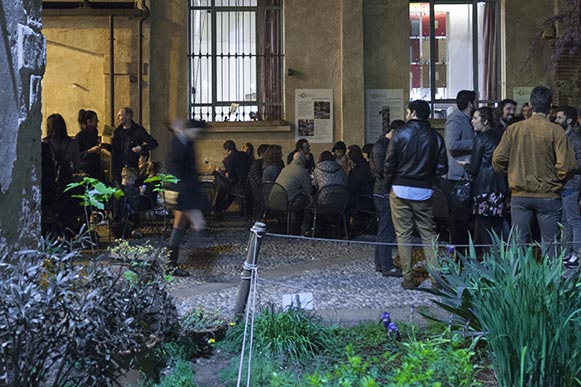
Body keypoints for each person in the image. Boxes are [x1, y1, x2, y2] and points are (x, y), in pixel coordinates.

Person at [493, 86, 576, 257]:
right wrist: (557, 180)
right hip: (548, 195)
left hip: (520, 194)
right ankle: (550, 282)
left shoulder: (514, 129)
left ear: (531, 104)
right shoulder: (556, 131)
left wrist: (512, 173)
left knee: (518, 245)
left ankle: (518, 281)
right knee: (550, 245)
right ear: (550, 106)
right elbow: (566, 165)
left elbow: (497, 159)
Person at [385, 100, 448, 290]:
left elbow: (389, 164)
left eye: (407, 111)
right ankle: (436, 279)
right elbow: (442, 166)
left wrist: (388, 186)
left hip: (400, 188)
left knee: (403, 235)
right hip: (424, 190)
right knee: (428, 235)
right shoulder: (435, 137)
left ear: (412, 113)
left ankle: (409, 278)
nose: (406, 115)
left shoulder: (400, 134)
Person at [166, 119, 210, 277]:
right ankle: (200, 262)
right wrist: (179, 133)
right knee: (198, 223)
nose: (197, 136)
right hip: (184, 191)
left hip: (184, 191)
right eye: (196, 132)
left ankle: (172, 264)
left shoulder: (186, 141)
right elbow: (177, 161)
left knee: (179, 226)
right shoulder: (179, 141)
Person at [461, 107, 508, 250]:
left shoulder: (480, 139)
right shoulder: (501, 135)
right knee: (497, 228)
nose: (472, 121)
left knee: (484, 229)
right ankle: (500, 262)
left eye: (475, 118)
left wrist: (466, 166)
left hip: (483, 189)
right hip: (500, 188)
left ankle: (488, 264)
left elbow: (474, 168)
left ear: (485, 121)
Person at [370, 120, 405, 277]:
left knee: (384, 227)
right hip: (384, 191)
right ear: (394, 131)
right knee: (387, 228)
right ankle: (386, 265)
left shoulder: (383, 145)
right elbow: (381, 169)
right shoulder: (382, 146)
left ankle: (380, 262)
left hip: (383, 190)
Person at [442, 90, 476, 249]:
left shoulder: (466, 120)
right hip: (457, 178)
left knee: (465, 221)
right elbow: (452, 145)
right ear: (471, 103)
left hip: (465, 176)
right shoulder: (455, 120)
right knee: (458, 222)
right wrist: (476, 143)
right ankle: (458, 256)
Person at [555, 106, 581, 268]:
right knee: (566, 220)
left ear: (569, 120)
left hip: (572, 183)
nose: (556, 120)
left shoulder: (575, 139)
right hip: (564, 184)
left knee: (573, 219)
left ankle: (577, 252)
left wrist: (565, 166)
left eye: (559, 118)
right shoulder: (565, 137)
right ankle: (568, 252)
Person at [111, 107, 159, 184]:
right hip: (118, 168)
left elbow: (153, 143)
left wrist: (141, 148)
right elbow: (114, 149)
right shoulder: (118, 131)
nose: (118, 118)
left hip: (131, 167)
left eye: (120, 115)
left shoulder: (138, 130)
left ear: (128, 116)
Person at [273, 152, 314, 235]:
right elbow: (309, 190)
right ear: (303, 161)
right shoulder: (302, 171)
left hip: (274, 199)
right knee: (308, 201)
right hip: (289, 201)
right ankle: (305, 229)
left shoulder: (285, 168)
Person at [214, 140, 253, 213]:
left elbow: (232, 178)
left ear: (226, 149)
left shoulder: (228, 160)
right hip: (250, 185)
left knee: (222, 188)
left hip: (240, 186)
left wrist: (221, 173)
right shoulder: (245, 155)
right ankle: (221, 209)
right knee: (227, 189)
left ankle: (217, 210)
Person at [346, 145, 374, 234]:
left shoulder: (355, 172)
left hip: (358, 201)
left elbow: (351, 189)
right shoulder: (369, 167)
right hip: (370, 198)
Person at [76, 109, 104, 181]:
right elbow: (77, 155)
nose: (97, 122)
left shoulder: (94, 133)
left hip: (96, 167)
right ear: (89, 121)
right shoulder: (80, 137)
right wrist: (90, 151)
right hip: (86, 168)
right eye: (95, 120)